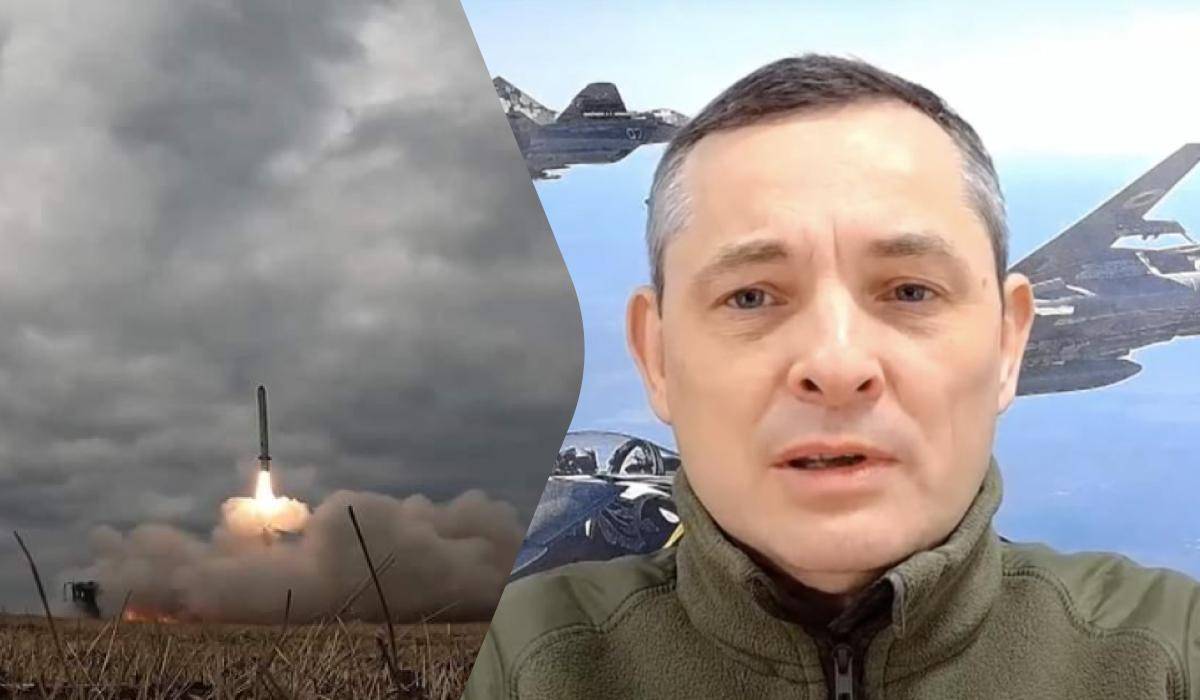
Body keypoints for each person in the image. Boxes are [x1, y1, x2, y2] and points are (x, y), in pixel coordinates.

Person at [463, 54, 1200, 699]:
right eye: (751, 297)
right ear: (655, 355)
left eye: (910, 291)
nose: (838, 365)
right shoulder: (531, 657)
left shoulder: (1168, 650)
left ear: (1010, 342)